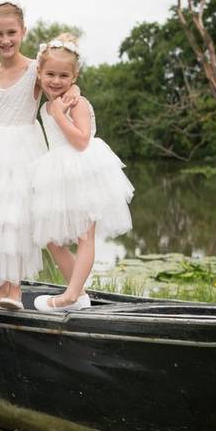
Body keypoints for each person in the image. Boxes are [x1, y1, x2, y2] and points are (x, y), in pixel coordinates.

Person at [0, 2, 77, 310]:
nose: (5, 40)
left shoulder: (36, 69)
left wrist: (73, 95)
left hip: (23, 149)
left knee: (17, 218)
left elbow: (60, 82)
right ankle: (2, 288)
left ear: (23, 32)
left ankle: (16, 292)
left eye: (11, 32)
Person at [30, 35, 134, 311]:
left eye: (64, 76)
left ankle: (70, 295)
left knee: (84, 237)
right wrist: (55, 108)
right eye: (50, 74)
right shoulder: (47, 103)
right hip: (57, 174)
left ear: (74, 76)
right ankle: (80, 293)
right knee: (50, 239)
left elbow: (81, 140)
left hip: (84, 170)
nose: (56, 80)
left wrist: (61, 115)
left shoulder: (77, 103)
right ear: (39, 73)